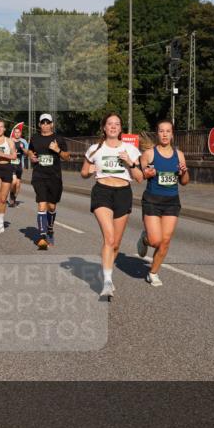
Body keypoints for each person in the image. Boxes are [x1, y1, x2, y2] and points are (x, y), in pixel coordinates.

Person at [81, 113, 144, 300]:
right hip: (102, 192)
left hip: (123, 194)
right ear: (104, 127)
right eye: (110, 124)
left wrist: (130, 163)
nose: (113, 127)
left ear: (121, 128)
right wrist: (90, 170)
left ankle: (107, 271)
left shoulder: (130, 149)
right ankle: (107, 281)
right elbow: (84, 172)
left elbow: (139, 178)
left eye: (117, 124)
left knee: (115, 243)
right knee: (108, 238)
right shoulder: (94, 149)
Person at [137, 120, 189, 286]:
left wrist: (184, 172)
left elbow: (185, 181)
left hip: (172, 201)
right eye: (161, 131)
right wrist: (147, 173)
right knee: (155, 241)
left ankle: (153, 273)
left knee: (165, 241)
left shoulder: (179, 155)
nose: (165, 134)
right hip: (152, 200)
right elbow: (140, 176)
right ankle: (145, 238)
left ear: (172, 134)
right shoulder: (149, 154)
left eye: (168, 131)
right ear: (157, 133)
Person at [27, 113, 70, 250]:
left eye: (47, 122)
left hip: (54, 177)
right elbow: (29, 151)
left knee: (51, 207)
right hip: (39, 176)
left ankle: (50, 228)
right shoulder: (35, 138)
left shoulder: (58, 138)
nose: (45, 125)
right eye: (42, 122)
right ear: (39, 125)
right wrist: (31, 157)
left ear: (52, 124)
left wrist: (57, 150)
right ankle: (42, 236)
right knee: (42, 205)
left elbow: (67, 157)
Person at [9, 124, 28, 207]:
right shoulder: (9, 141)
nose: (17, 134)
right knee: (13, 182)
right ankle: (11, 195)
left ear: (20, 133)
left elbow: (27, 153)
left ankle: (14, 198)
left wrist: (22, 148)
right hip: (11, 165)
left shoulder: (23, 142)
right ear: (13, 133)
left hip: (20, 165)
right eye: (15, 132)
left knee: (18, 184)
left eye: (18, 132)